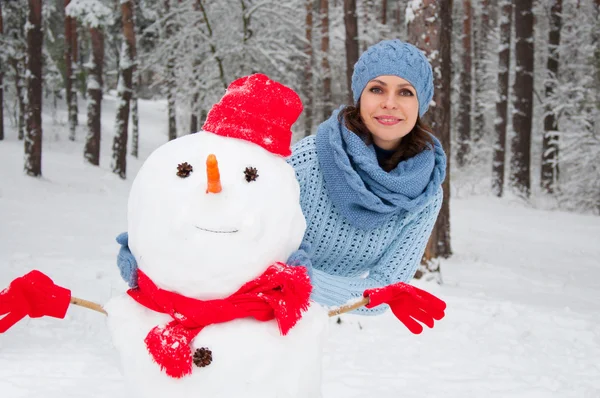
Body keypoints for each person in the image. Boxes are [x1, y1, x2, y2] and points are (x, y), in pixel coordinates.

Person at [116, 39, 446, 315]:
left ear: (422, 103)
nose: (389, 103)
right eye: (377, 89)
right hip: (243, 301)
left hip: (324, 324)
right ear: (360, 96)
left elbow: (386, 292)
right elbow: (237, 222)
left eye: (405, 92)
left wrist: (298, 281)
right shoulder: (312, 158)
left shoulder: (425, 190)